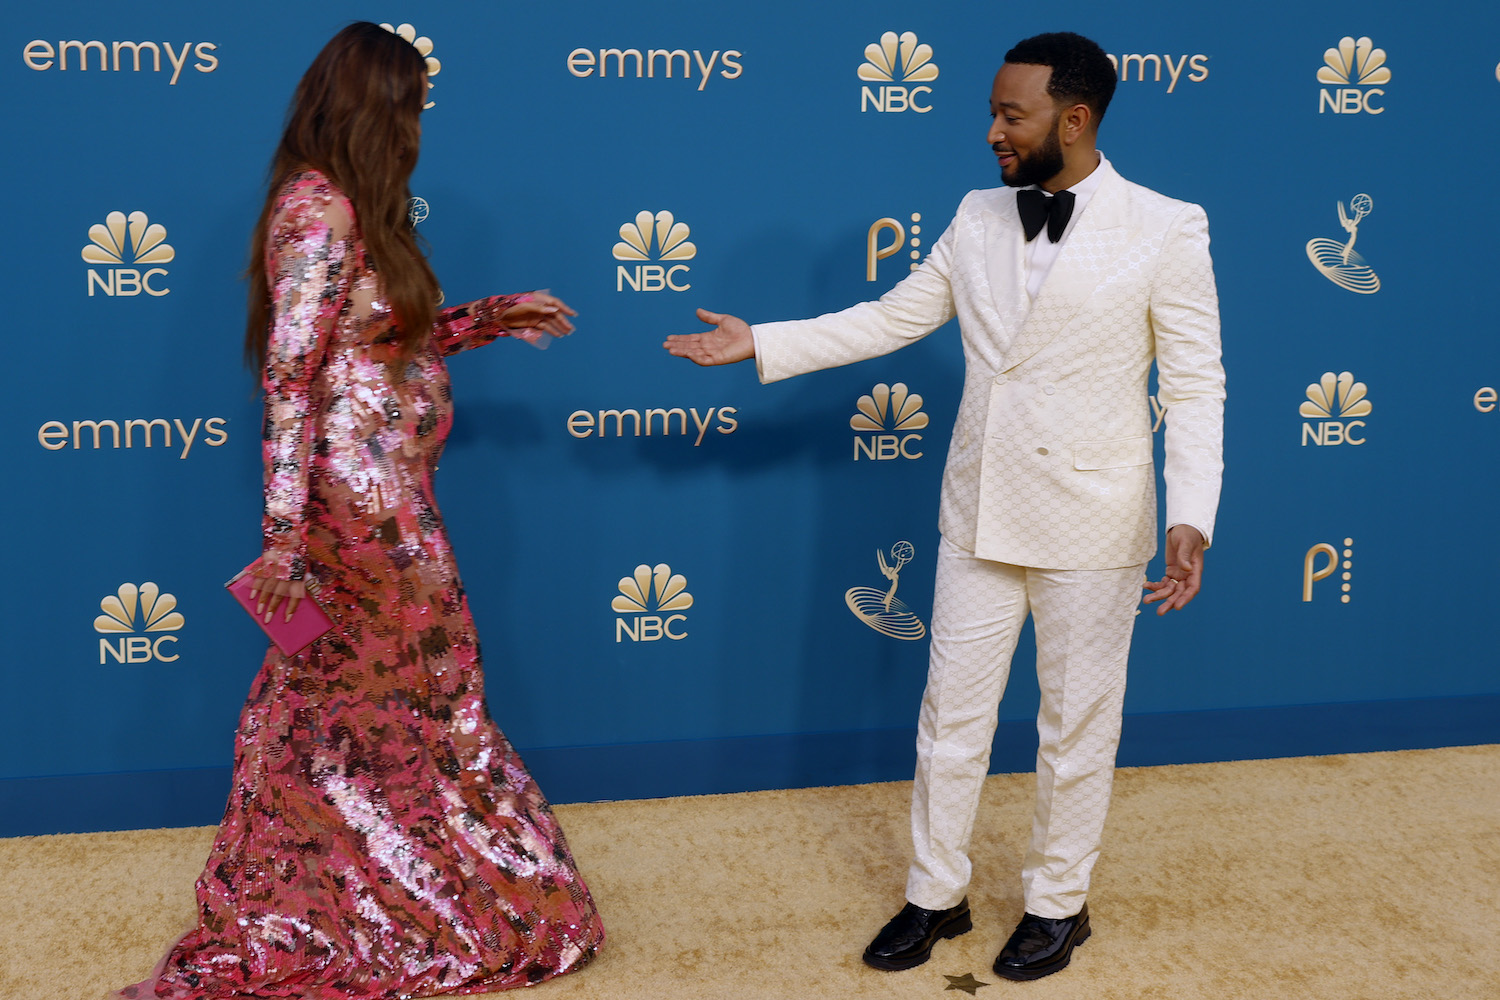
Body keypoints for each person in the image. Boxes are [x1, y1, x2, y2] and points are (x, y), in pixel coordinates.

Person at [664, 31, 1223, 982]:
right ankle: (937, 893)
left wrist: (1192, 512)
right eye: (995, 112)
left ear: (1075, 119)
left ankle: (1057, 903)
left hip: (1093, 517)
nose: (994, 132)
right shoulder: (976, 214)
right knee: (949, 717)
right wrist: (763, 343)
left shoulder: (1167, 227)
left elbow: (1200, 382)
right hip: (978, 506)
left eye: (1014, 115)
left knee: (1076, 725)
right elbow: (893, 316)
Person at [118, 23, 603, 999]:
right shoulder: (316, 210)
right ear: (377, 108)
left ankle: (381, 894)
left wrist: (491, 317)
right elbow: (293, 377)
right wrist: (286, 541)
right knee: (424, 700)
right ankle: (449, 905)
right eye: (412, 108)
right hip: (359, 511)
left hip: (385, 490)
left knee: (363, 713)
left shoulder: (356, 212)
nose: (422, 128)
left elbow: (383, 344)